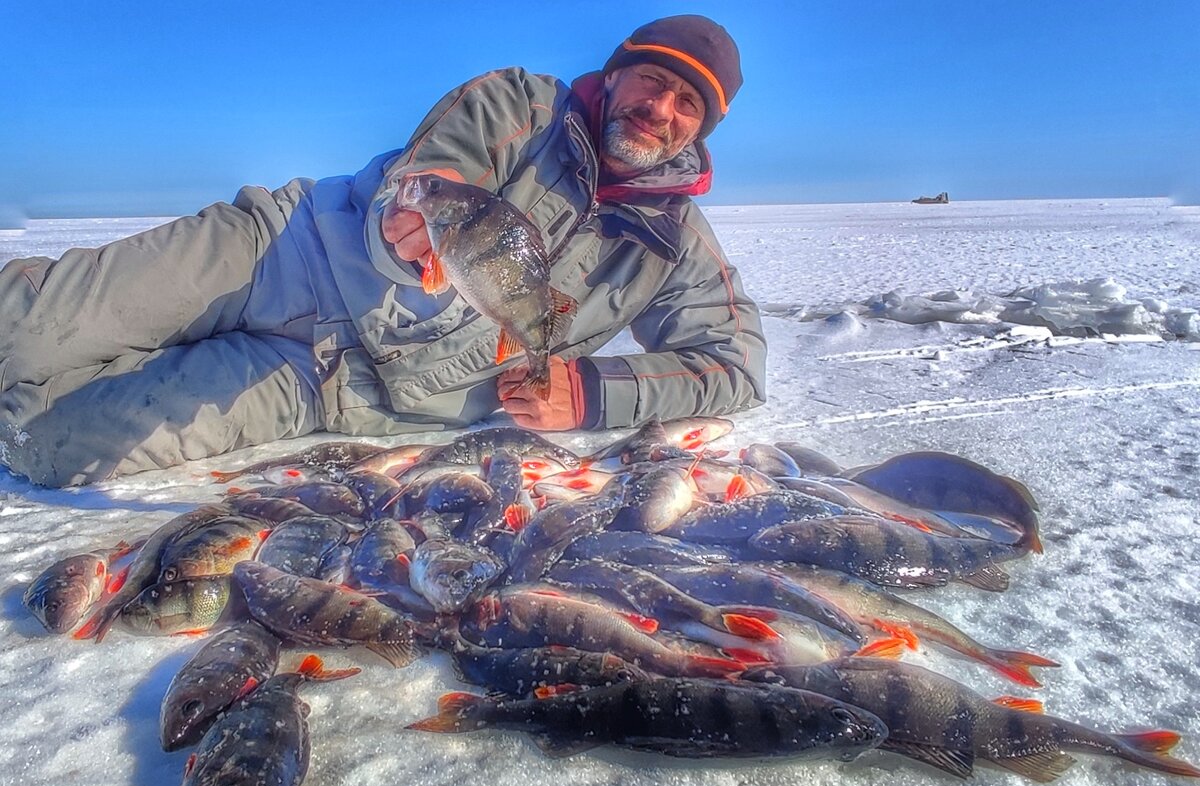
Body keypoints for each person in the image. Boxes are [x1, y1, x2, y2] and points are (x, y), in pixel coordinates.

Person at [0, 14, 766, 487]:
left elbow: (735, 366)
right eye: (652, 80)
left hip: (328, 387)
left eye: (687, 102)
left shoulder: (674, 246)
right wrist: (412, 217)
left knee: (52, 448)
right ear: (618, 72)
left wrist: (591, 392)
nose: (658, 108)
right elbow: (435, 171)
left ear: (700, 130)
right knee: (26, 328)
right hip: (286, 254)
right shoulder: (523, 106)